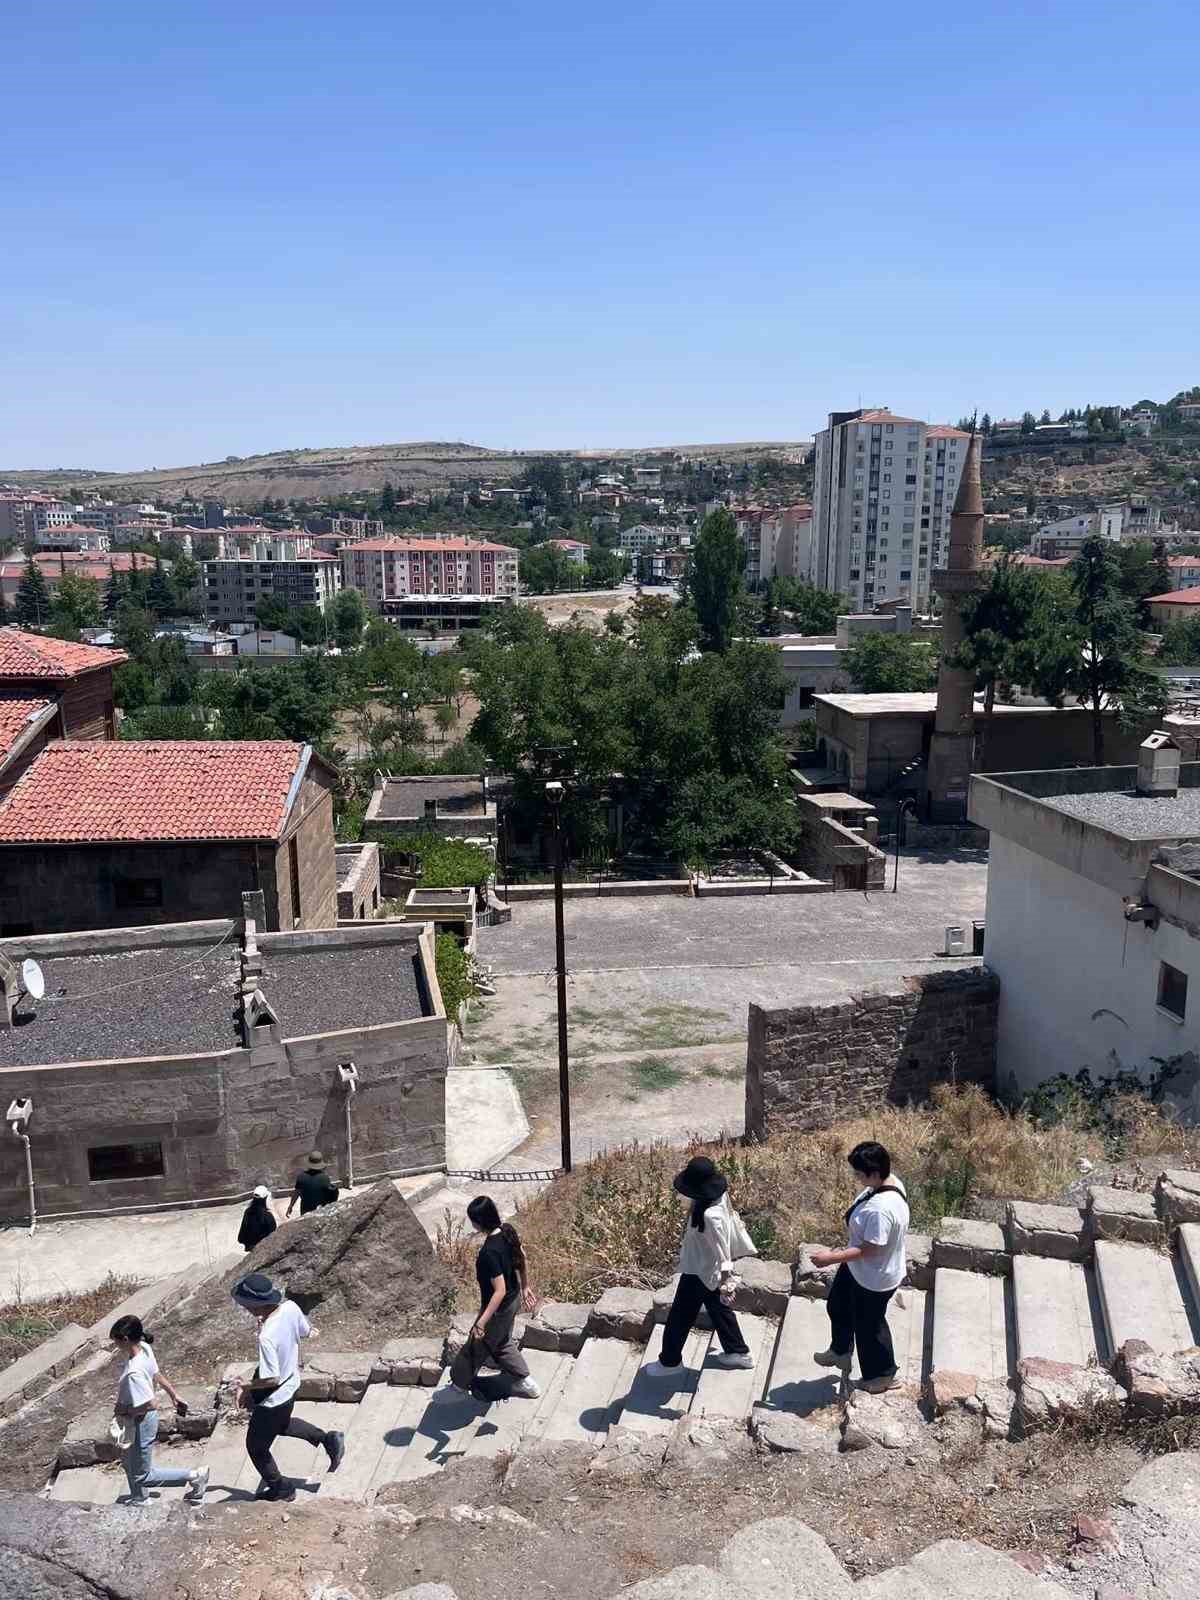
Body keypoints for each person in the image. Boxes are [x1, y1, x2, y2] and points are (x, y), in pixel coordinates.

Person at [231, 1272, 345, 1501]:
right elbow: (304, 1331)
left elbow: (271, 1378)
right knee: (281, 1424)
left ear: (254, 1305)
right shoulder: (291, 1307)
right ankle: (327, 1439)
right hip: (292, 1383)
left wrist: (246, 1385)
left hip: (274, 1397)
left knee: (256, 1448)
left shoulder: (266, 1337)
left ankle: (281, 1488)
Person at [809, 1140, 909, 1393]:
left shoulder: (880, 1209)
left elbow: (871, 1248)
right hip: (859, 1269)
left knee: (870, 1327)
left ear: (874, 1174)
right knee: (838, 1305)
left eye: (859, 1173)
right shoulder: (889, 1183)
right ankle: (840, 1351)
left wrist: (831, 1258)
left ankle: (882, 1375)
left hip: (874, 1277)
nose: (856, 1177)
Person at [643, 1155, 755, 1379]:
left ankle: (670, 1362)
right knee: (717, 1308)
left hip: (700, 1271)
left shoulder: (709, 1215)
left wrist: (726, 1282)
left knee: (679, 1316)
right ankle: (738, 1352)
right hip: (705, 1269)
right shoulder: (717, 1198)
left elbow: (722, 1250)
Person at [109, 1314, 208, 1507]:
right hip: (140, 1418)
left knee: (143, 1475)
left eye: (116, 1342)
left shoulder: (133, 1373)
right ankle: (139, 1498)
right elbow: (156, 1374)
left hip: (141, 1421)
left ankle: (194, 1476)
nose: (116, 1346)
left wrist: (123, 1410)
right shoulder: (144, 1348)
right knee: (129, 1461)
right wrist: (173, 1394)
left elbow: (150, 1404)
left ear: (126, 1340)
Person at [447, 1196, 540, 1400]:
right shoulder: (508, 1231)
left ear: (479, 1222)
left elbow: (499, 1290)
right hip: (513, 1299)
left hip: (499, 1308)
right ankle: (525, 1381)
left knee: (475, 1346)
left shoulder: (488, 1253)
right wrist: (525, 1286)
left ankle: (459, 1387)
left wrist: (481, 1322)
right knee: (502, 1341)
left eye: (473, 1220)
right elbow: (521, 1256)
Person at [285, 1152, 339, 1219]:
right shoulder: (324, 1178)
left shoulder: (301, 1177)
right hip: (319, 1210)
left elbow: (296, 1193)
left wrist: (291, 1206)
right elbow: (329, 1194)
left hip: (305, 1210)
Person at [238, 1185, 278, 1253]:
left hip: (251, 1247)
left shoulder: (248, 1212)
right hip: (263, 1249)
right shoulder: (268, 1216)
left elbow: (242, 1232)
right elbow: (273, 1236)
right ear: (265, 1199)